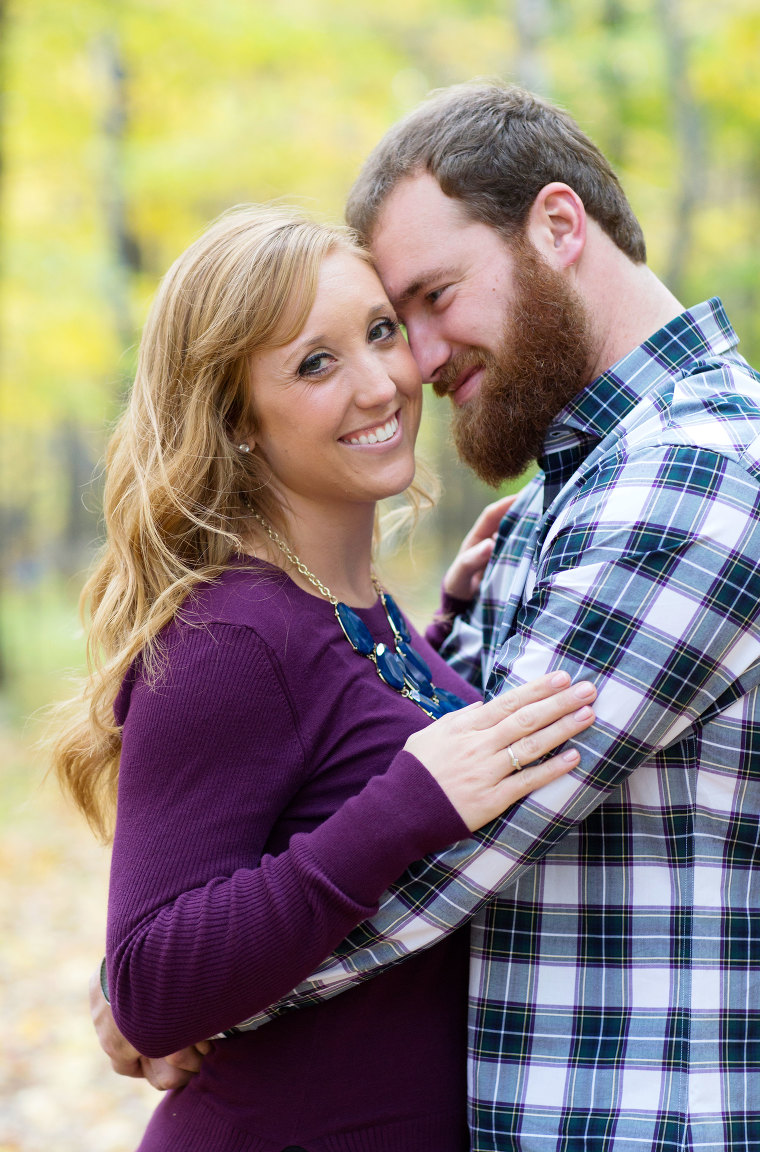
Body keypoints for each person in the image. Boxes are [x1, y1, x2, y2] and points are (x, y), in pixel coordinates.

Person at [153, 83, 760, 1150]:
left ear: (560, 226)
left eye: (434, 299)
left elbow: (464, 840)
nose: (418, 363)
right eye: (400, 321)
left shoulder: (699, 475)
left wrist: (191, 997)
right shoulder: (559, 498)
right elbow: (415, 762)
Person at [54, 203, 598, 1151]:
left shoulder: (356, 613)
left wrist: (453, 632)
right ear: (236, 422)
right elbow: (145, 987)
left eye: (381, 331)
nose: (384, 382)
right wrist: (404, 807)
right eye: (316, 363)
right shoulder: (233, 633)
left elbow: (332, 748)